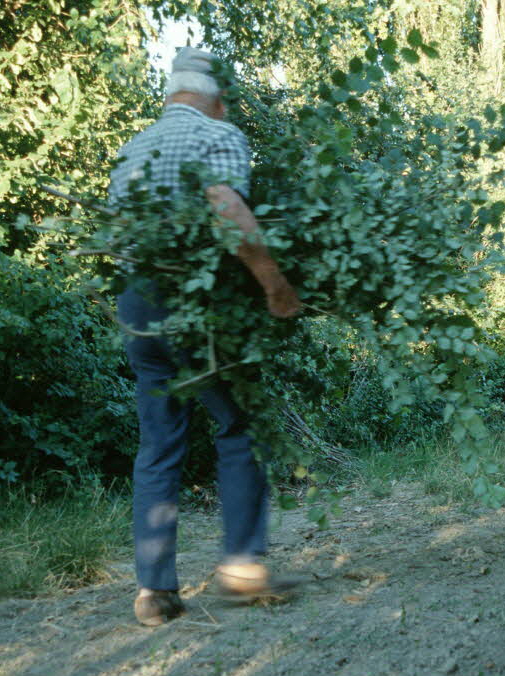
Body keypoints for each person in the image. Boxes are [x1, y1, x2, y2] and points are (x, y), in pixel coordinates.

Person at [108, 47, 302, 627]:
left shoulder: (131, 150)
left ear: (172, 96)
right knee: (243, 422)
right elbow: (225, 204)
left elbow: (117, 239)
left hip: (139, 303)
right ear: (216, 99)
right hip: (198, 302)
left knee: (159, 441)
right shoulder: (218, 135)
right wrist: (275, 284)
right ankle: (242, 567)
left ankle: (154, 591)